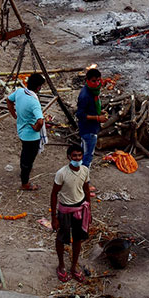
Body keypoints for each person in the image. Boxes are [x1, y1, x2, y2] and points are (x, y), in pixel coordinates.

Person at [50, 144, 91, 283]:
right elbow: (54, 194)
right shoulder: (62, 173)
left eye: (80, 155)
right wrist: (54, 217)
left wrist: (89, 211)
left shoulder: (85, 170)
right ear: (69, 157)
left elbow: (86, 190)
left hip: (80, 209)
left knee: (78, 239)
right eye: (74, 156)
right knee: (61, 238)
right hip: (65, 210)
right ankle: (61, 265)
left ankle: (74, 266)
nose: (77, 158)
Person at [8, 73, 46, 191]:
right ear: (38, 87)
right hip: (31, 136)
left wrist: (14, 115)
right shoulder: (34, 102)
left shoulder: (19, 92)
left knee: (25, 153)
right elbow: (40, 121)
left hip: (21, 130)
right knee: (28, 158)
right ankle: (25, 183)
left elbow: (9, 100)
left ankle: (25, 172)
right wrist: (36, 128)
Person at [75, 68, 106, 167]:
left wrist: (100, 111)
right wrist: (97, 118)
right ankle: (85, 181)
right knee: (87, 157)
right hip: (88, 129)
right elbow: (80, 114)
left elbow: (90, 108)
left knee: (83, 153)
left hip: (91, 128)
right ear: (87, 80)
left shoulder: (93, 92)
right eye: (94, 81)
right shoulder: (85, 95)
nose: (97, 83)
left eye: (98, 80)